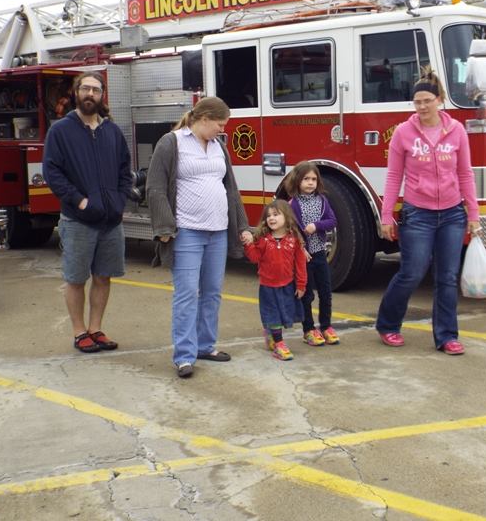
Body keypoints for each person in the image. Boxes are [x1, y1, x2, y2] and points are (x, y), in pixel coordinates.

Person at [376, 67, 481, 355]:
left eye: (427, 101)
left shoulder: (457, 131)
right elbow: (393, 176)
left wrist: (473, 214)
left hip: (452, 214)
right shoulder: (403, 133)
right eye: (417, 102)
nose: (422, 107)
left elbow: (465, 174)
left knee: (447, 277)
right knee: (412, 272)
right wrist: (386, 216)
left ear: (439, 100)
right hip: (417, 214)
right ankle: (388, 324)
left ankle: (447, 336)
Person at [146, 96, 253, 378]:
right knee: (186, 294)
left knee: (212, 292)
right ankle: (184, 356)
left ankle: (205, 346)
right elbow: (155, 188)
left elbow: (231, 189)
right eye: (220, 124)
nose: (223, 130)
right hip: (187, 232)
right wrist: (164, 228)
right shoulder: (171, 143)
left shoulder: (219, 146)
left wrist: (242, 225)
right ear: (204, 119)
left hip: (218, 231)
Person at [43, 71, 132, 353]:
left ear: (102, 95)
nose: (90, 94)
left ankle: (96, 329)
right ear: (76, 92)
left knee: (104, 276)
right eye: (85, 89)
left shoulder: (112, 131)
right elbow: (52, 173)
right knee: (76, 279)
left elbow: (125, 170)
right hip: (78, 220)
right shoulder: (60, 131)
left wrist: (119, 201)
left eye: (95, 90)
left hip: (110, 221)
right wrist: (80, 202)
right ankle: (79, 332)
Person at [244, 200, 307, 361]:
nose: (271, 218)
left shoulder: (294, 239)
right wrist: (249, 244)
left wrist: (301, 284)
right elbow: (254, 258)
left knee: (284, 314)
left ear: (287, 217)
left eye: (276, 214)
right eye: (268, 216)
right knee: (273, 315)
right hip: (268, 286)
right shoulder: (263, 239)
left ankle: (271, 333)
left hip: (287, 285)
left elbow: (300, 263)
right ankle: (279, 344)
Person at [285, 161, 339, 346]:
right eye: (306, 179)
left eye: (314, 179)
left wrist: (316, 225)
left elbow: (332, 221)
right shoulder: (293, 204)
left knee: (325, 292)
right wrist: (301, 248)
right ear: (297, 181)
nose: (310, 183)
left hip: (320, 254)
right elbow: (290, 231)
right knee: (306, 294)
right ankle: (308, 329)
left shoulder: (322, 201)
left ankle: (326, 326)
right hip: (303, 257)